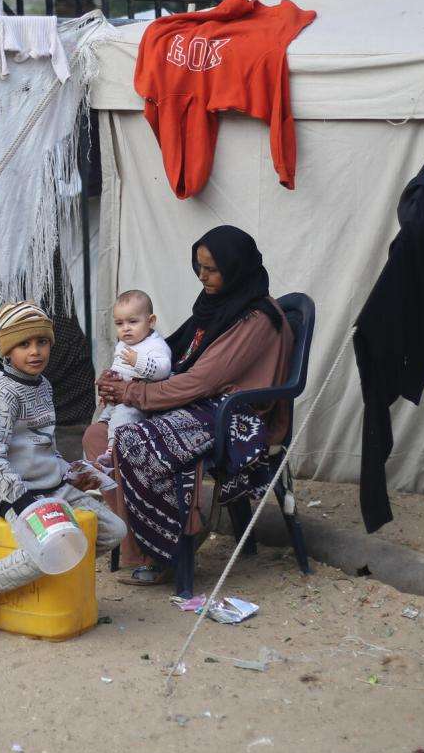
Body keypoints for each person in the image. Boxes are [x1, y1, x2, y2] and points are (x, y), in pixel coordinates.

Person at [85, 226, 293, 586]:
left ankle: (171, 550)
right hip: (201, 400)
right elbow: (170, 355)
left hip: (231, 413)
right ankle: (134, 542)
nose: (202, 276)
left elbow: (202, 381)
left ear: (235, 267)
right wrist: (121, 375)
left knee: (136, 440)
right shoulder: (217, 307)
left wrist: (133, 393)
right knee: (96, 434)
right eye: (199, 266)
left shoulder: (255, 319)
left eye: (211, 269)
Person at [0, 301, 127, 638]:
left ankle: (51, 579)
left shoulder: (43, 385)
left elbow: (44, 445)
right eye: (24, 344)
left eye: (42, 342)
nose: (35, 352)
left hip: (54, 486)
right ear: (7, 350)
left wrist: (74, 471)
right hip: (18, 494)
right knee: (49, 549)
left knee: (113, 531)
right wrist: (22, 501)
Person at [94, 289, 173, 470]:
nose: (126, 328)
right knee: (104, 416)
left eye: (133, 321)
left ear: (151, 321)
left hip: (139, 402)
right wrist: (110, 379)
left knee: (123, 416)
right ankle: (106, 436)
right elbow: (119, 367)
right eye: (119, 323)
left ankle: (112, 451)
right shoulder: (124, 344)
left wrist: (139, 361)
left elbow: (163, 369)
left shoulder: (155, 345)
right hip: (120, 398)